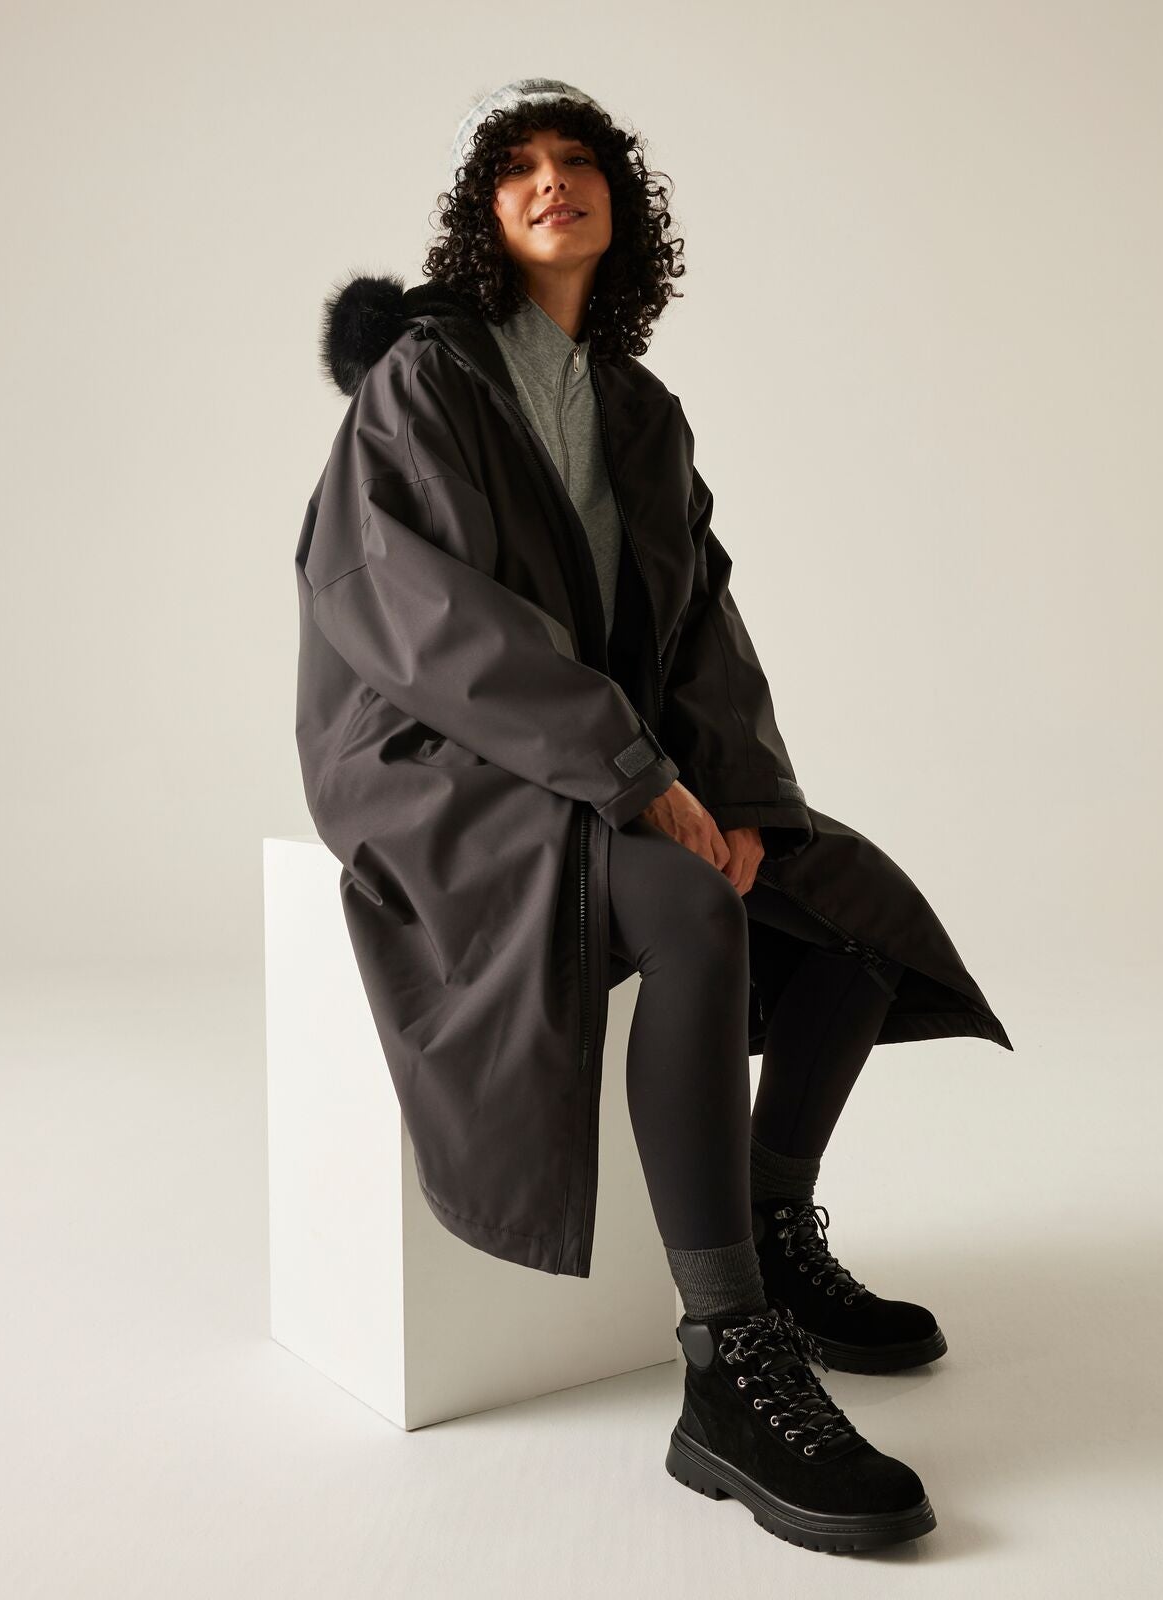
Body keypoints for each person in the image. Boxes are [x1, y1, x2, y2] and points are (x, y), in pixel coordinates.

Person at [298, 77, 1011, 1552]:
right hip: (436, 759)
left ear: (621, 207)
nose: (552, 181)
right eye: (518, 167)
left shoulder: (638, 410)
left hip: (602, 761)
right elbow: (418, 613)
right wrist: (631, 774)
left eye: (580, 161)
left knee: (847, 910)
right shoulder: (426, 378)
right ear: (485, 213)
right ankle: (726, 1361)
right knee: (688, 908)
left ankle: (775, 1227)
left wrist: (734, 795)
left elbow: (700, 624)